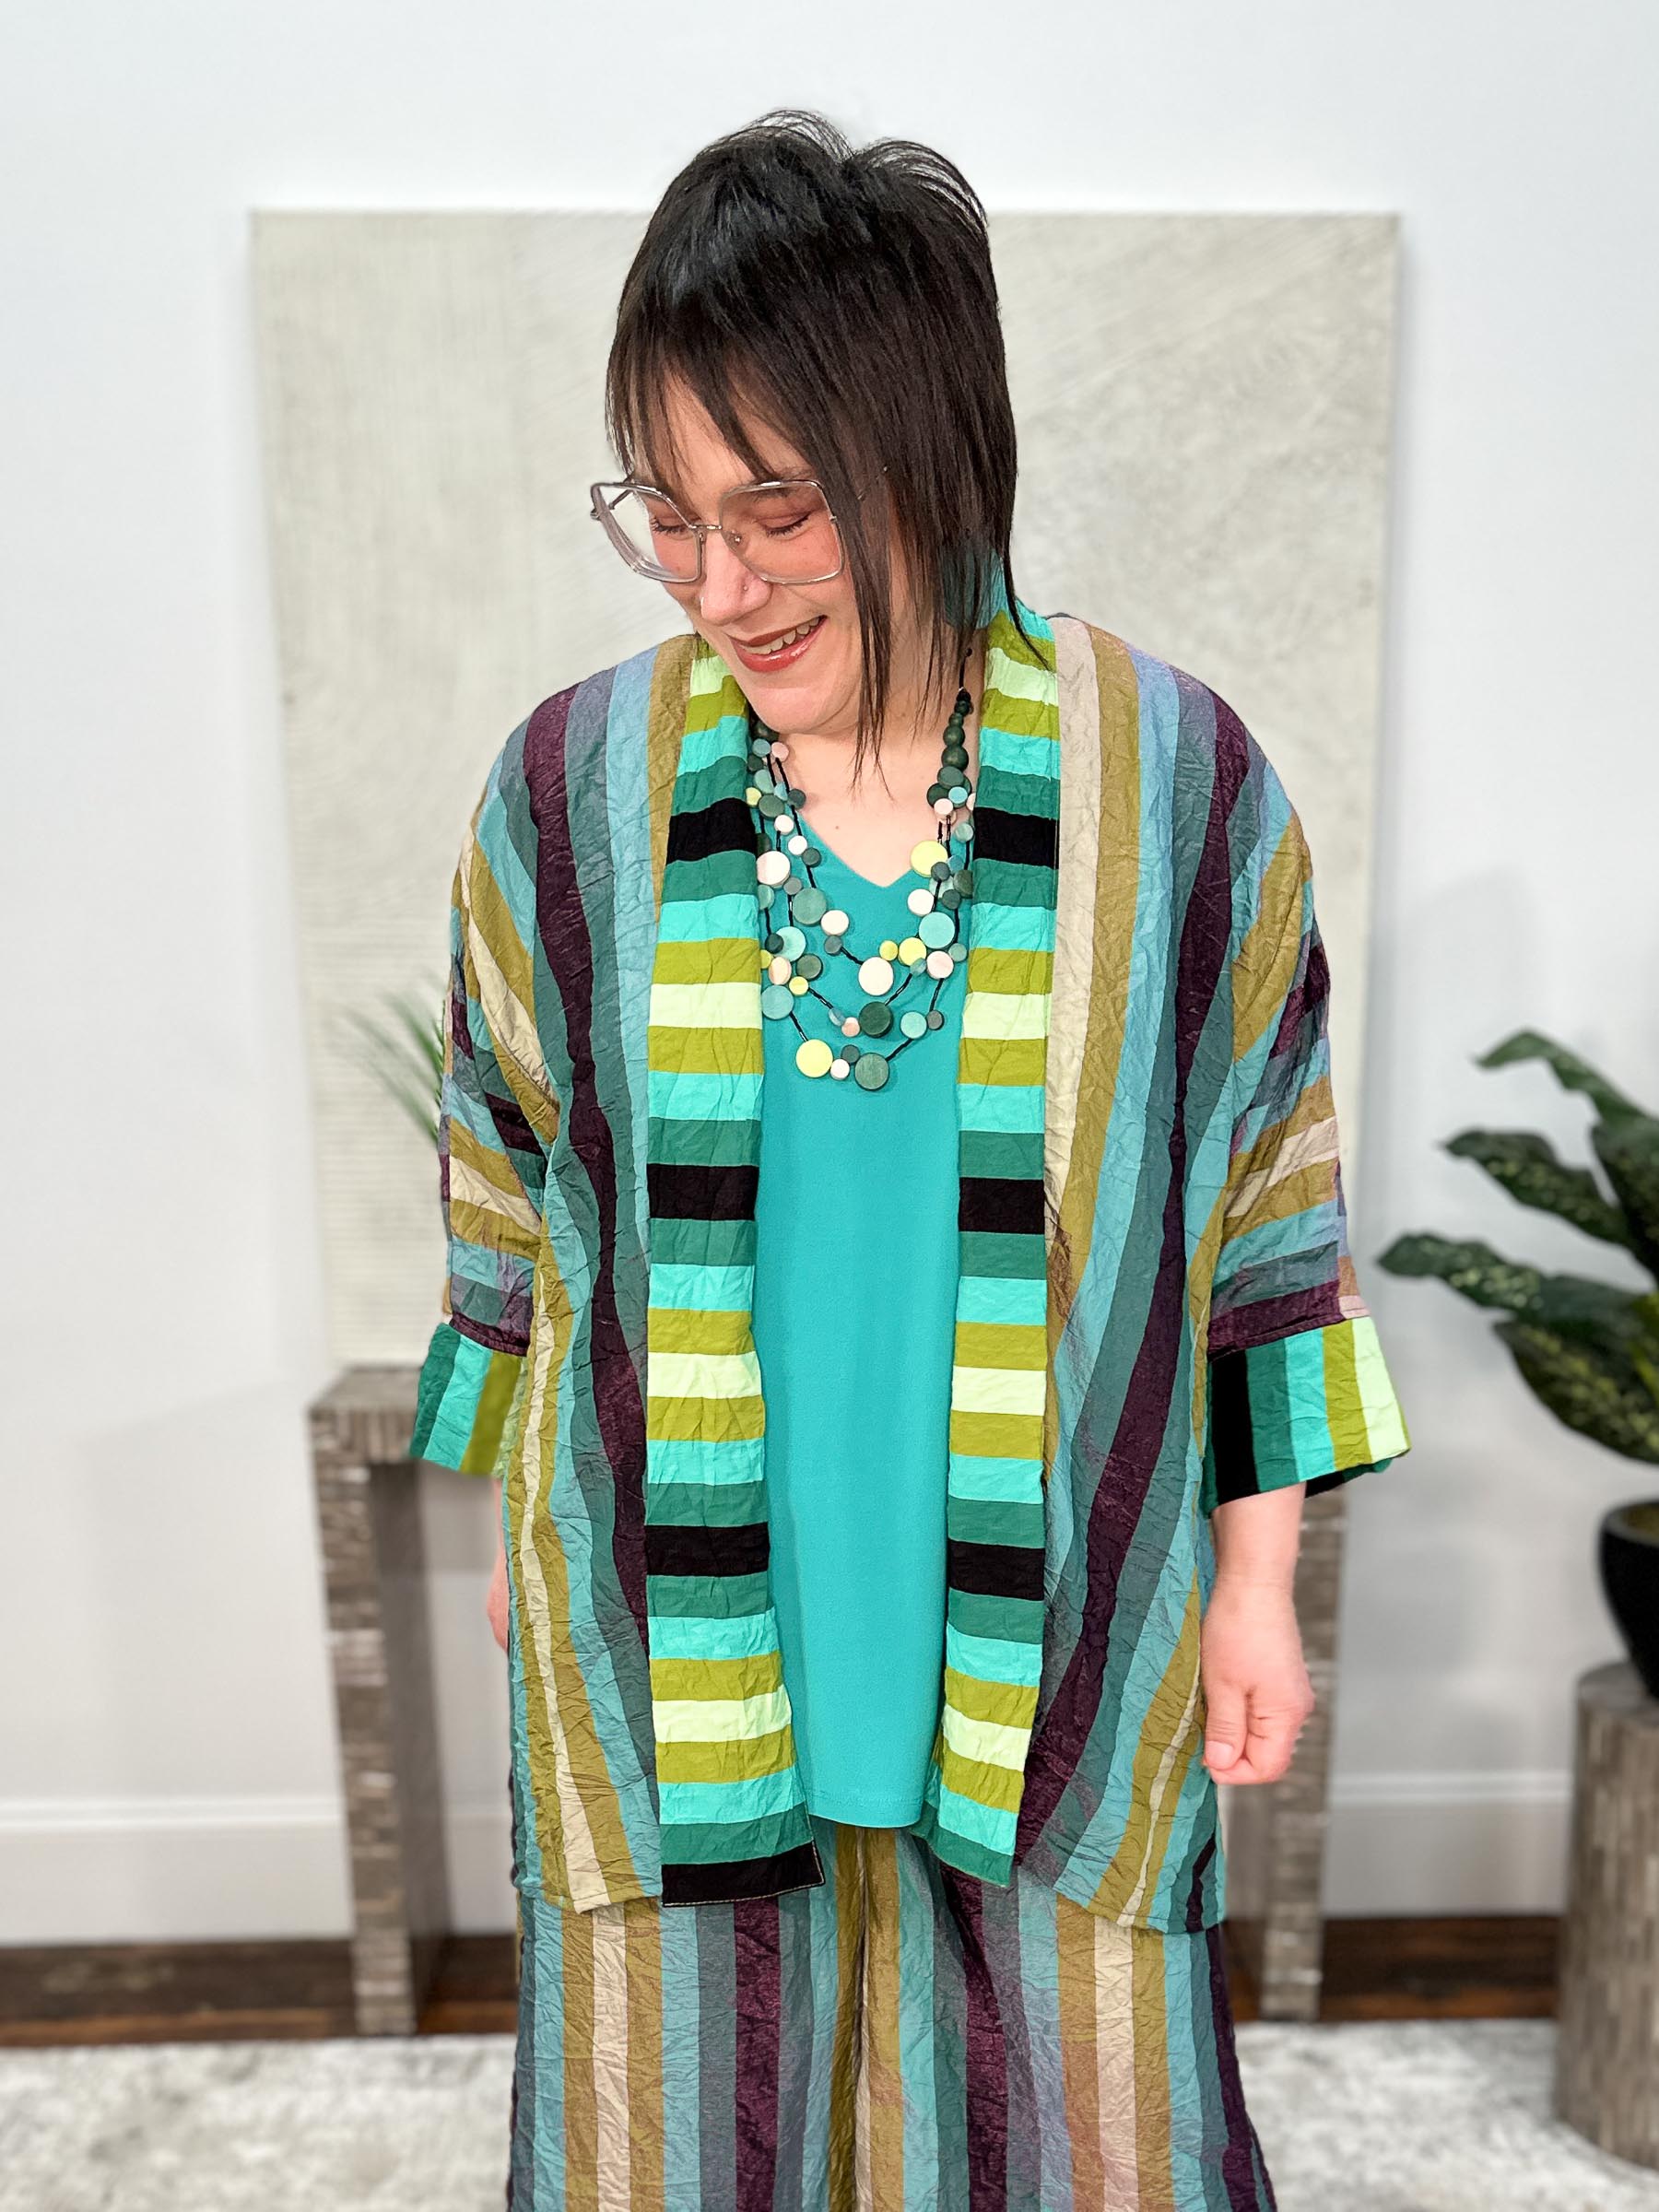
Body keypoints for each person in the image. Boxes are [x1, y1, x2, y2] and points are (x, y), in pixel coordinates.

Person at [410, 108, 1411, 2212]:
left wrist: (1256, 1587)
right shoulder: (570, 792)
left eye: (775, 508)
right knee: (676, 2140)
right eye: (667, 516)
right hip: (680, 1633)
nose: (721, 585)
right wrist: (518, 1533)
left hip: (1064, 1640)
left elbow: (1266, 1212)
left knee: (1088, 2142)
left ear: (933, 456)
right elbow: (508, 1193)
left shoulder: (1173, 780)